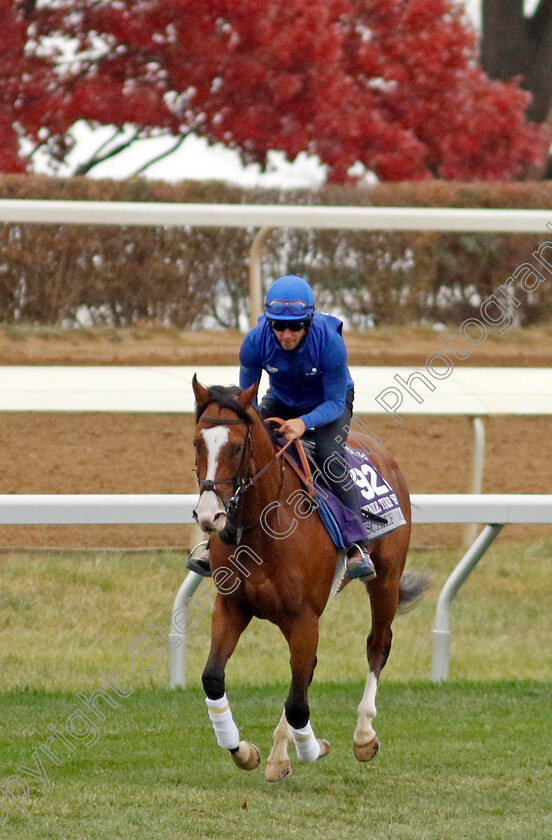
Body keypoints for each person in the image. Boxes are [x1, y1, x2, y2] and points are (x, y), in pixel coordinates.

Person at [187, 274, 376, 582]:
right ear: (269, 323)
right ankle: (218, 542)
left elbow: (333, 404)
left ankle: (358, 545)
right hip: (281, 399)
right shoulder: (254, 343)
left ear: (309, 321)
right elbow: (246, 402)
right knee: (250, 453)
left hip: (330, 402)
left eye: (296, 326)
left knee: (330, 456)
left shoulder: (330, 345)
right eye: (278, 326)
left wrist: (304, 423)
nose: (286, 334)